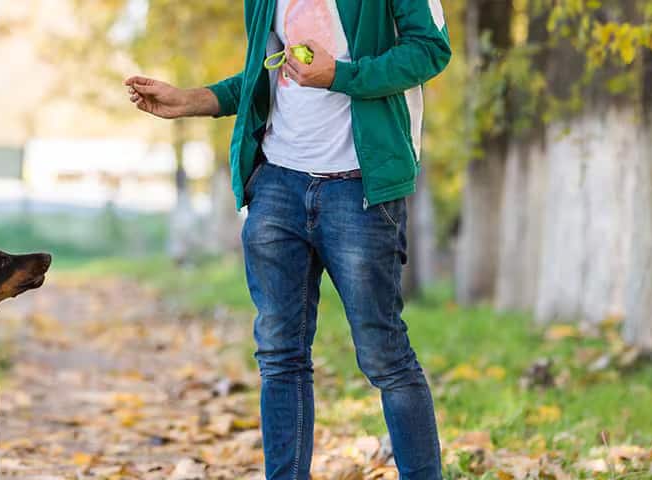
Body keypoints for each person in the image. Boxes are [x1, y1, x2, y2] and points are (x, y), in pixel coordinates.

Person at [124, 1, 451, 479]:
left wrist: (340, 75)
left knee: (384, 355)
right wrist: (192, 100)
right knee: (279, 356)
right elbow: (266, 77)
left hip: (359, 185)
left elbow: (429, 51)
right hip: (277, 185)